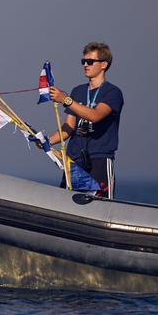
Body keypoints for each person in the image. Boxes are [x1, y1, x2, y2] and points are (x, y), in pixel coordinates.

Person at [48, 42, 124, 198]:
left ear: (103, 64)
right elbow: (69, 127)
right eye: (84, 61)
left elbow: (95, 115)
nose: (85, 65)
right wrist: (46, 141)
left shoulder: (113, 92)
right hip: (74, 160)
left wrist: (66, 100)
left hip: (99, 160)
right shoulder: (77, 91)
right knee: (65, 204)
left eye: (90, 61)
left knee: (101, 206)